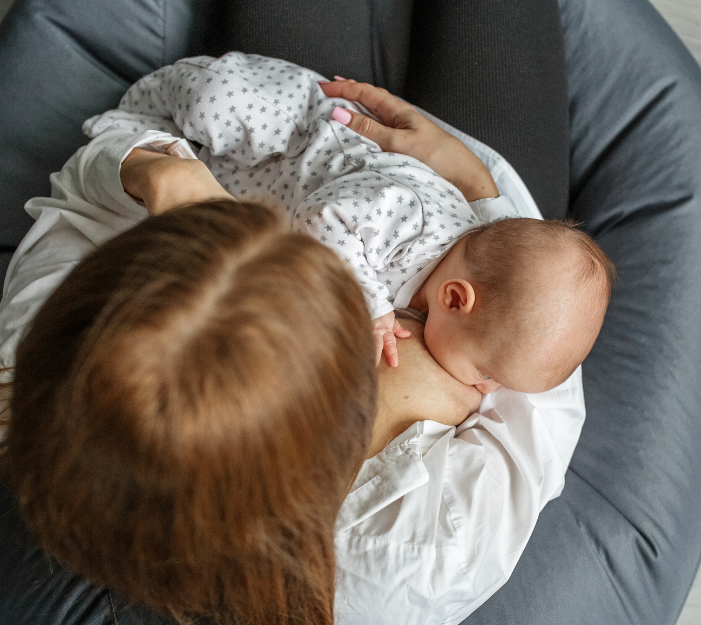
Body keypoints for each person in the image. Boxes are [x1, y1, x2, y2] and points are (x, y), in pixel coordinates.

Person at [0, 69, 589, 625]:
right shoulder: (410, 558)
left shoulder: (45, 355)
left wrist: (160, 173)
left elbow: (91, 176)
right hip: (500, 237)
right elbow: (544, 379)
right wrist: (478, 186)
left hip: (349, 158)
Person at [83, 52, 615, 393]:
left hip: (259, 185)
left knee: (208, 160)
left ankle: (143, 139)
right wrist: (375, 309)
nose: (487, 392)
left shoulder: (449, 281)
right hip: (290, 130)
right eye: (489, 376)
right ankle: (131, 116)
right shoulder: (416, 221)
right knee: (217, 102)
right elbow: (327, 217)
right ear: (455, 298)